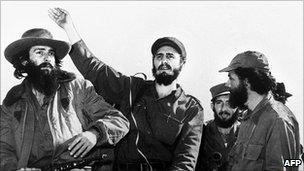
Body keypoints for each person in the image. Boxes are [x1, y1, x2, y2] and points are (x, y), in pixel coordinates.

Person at [49, 8, 204, 171]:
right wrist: (69, 27)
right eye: (159, 56)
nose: (164, 61)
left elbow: (185, 161)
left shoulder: (191, 108)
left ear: (182, 63)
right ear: (154, 62)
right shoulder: (132, 88)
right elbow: (95, 70)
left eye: (170, 56)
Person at [0, 28, 130, 171]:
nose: (47, 58)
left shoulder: (77, 88)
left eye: (51, 53)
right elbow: (4, 146)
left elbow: (118, 120)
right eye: (39, 52)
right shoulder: (12, 102)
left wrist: (94, 133)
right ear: (24, 61)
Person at [219, 51, 300, 171]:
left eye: (231, 78)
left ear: (247, 82)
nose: (227, 84)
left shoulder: (278, 120)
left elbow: (286, 166)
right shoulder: (248, 117)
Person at [196, 83, 240, 171]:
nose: (224, 108)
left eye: (230, 103)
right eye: (219, 103)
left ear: (237, 106)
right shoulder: (200, 132)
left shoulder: (248, 132)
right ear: (212, 106)